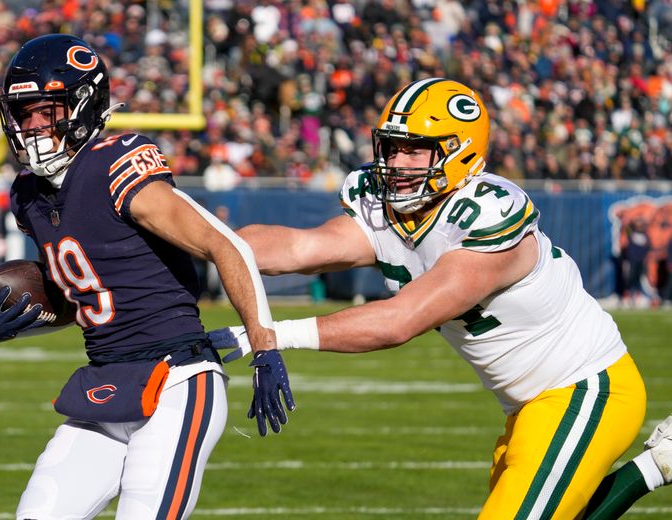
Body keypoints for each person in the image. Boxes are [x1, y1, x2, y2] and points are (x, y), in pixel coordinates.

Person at [211, 78, 672, 518]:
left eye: (416, 149)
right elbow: (296, 248)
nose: (398, 161)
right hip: (524, 408)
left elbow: (399, 321)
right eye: (393, 146)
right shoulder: (386, 208)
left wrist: (273, 335)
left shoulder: (485, 215)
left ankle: (651, 470)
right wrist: (200, 239)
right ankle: (655, 467)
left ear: (460, 152)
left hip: (585, 389)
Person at [0, 34, 294, 520]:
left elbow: (222, 244)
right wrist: (27, 316)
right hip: (105, 384)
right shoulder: (28, 196)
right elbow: (85, 294)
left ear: (83, 106)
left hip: (175, 381)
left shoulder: (115, 164)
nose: (33, 126)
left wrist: (264, 345)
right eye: (24, 114)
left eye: (46, 111)